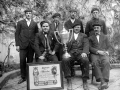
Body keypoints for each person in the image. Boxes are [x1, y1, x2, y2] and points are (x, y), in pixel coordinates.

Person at [62, 24, 89, 90]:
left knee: (85, 60)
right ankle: (68, 80)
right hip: (71, 53)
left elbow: (86, 45)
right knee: (65, 60)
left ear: (80, 28)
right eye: (76, 27)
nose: (77, 28)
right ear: (73, 28)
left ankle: (85, 80)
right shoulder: (68, 35)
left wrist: (84, 52)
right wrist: (65, 51)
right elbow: (65, 44)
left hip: (80, 53)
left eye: (79, 27)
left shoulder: (84, 35)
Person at [15, 9, 39, 84]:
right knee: (22, 61)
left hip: (31, 46)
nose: (28, 14)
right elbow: (17, 34)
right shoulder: (20, 23)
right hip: (22, 45)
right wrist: (17, 45)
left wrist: (35, 44)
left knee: (30, 61)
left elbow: (36, 34)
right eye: (27, 13)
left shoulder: (34, 23)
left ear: (32, 14)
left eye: (30, 13)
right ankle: (23, 77)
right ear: (25, 14)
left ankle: (29, 76)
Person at [89, 23, 111, 90]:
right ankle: (102, 81)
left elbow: (109, 46)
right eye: (95, 28)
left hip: (103, 53)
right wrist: (98, 51)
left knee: (107, 62)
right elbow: (89, 47)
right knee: (95, 62)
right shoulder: (90, 38)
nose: (96, 29)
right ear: (93, 29)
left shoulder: (105, 37)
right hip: (94, 54)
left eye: (97, 28)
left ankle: (104, 82)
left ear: (100, 28)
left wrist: (107, 51)